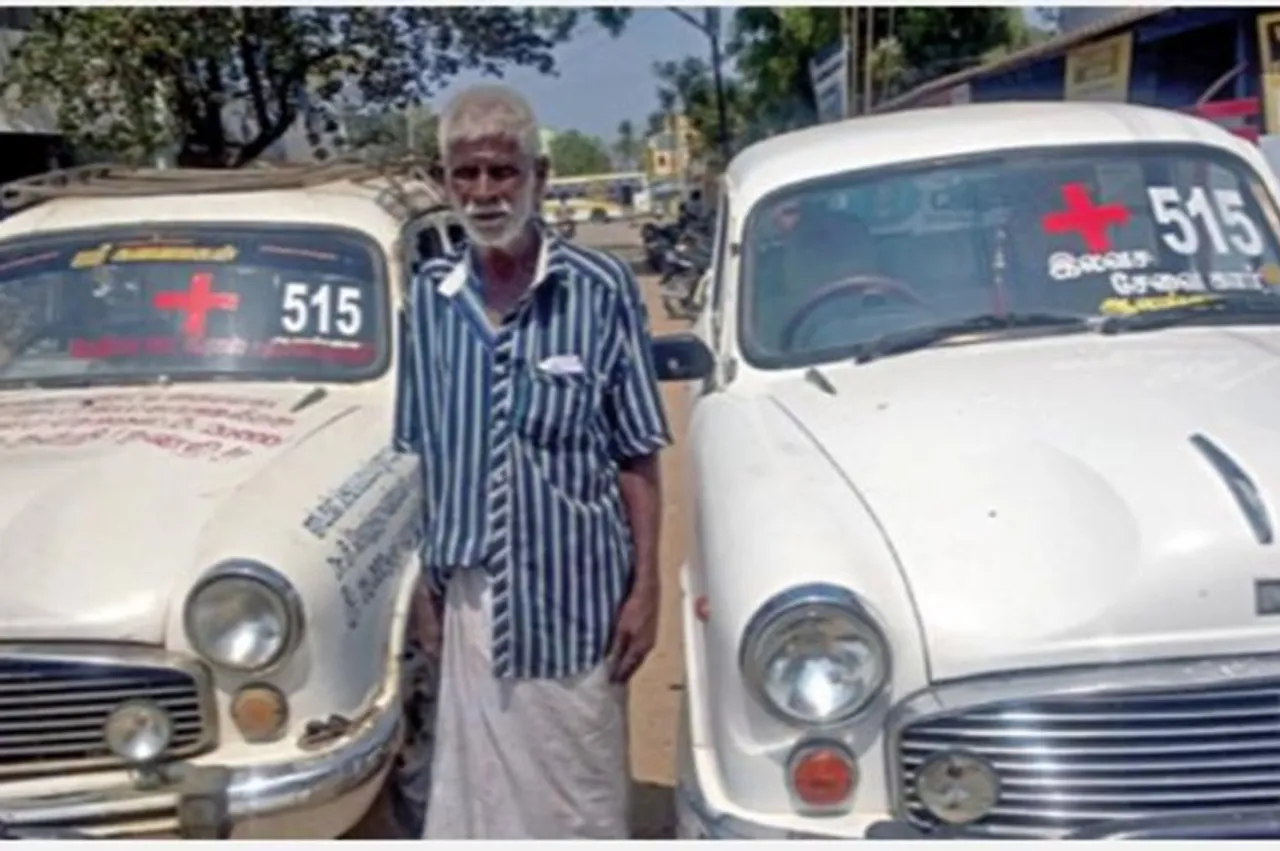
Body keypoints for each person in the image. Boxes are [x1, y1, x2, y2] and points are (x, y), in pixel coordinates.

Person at [394, 83, 671, 839]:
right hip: (471, 603)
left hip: (577, 603)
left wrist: (644, 589)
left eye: (502, 171)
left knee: (578, 798)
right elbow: (423, 451)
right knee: (478, 800)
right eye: (467, 174)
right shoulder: (428, 299)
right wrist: (425, 583)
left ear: (539, 177)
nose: (484, 192)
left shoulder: (600, 290)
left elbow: (637, 451)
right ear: (444, 182)